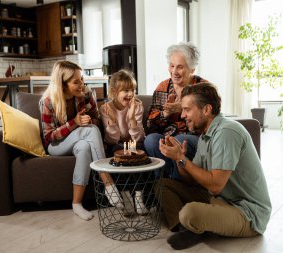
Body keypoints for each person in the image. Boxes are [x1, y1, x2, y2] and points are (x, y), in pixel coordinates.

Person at [157, 82, 271, 250]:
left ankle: (194, 224)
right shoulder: (205, 135)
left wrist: (182, 159)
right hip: (219, 199)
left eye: (187, 109)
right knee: (162, 185)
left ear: (206, 110)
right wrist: (178, 158)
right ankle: (187, 229)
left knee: (189, 212)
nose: (182, 115)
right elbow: (191, 180)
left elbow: (216, 185)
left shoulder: (226, 132)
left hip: (246, 212)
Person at [39, 60, 123, 221]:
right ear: (62, 84)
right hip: (56, 146)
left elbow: (97, 120)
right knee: (89, 131)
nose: (82, 84)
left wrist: (89, 121)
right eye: (76, 82)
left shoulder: (86, 94)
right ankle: (108, 183)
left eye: (82, 79)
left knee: (85, 146)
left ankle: (76, 203)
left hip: (81, 140)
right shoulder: (48, 101)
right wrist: (74, 123)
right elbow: (49, 137)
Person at [144, 42, 208, 180]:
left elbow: (210, 119)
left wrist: (184, 109)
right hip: (167, 136)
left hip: (194, 138)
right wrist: (165, 114)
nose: (174, 72)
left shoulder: (203, 87)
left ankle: (172, 183)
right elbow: (150, 126)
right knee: (151, 140)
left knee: (179, 140)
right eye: (172, 66)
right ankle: (165, 182)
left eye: (180, 67)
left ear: (191, 69)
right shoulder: (163, 87)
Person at [99, 69, 148, 215]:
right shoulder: (105, 108)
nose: (130, 94)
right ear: (114, 91)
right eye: (126, 90)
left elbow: (138, 137)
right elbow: (112, 139)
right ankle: (126, 198)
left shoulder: (137, 106)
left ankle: (139, 199)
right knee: (118, 150)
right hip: (116, 144)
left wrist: (132, 116)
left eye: (132, 90)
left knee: (137, 152)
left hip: (134, 143)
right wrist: (112, 121)